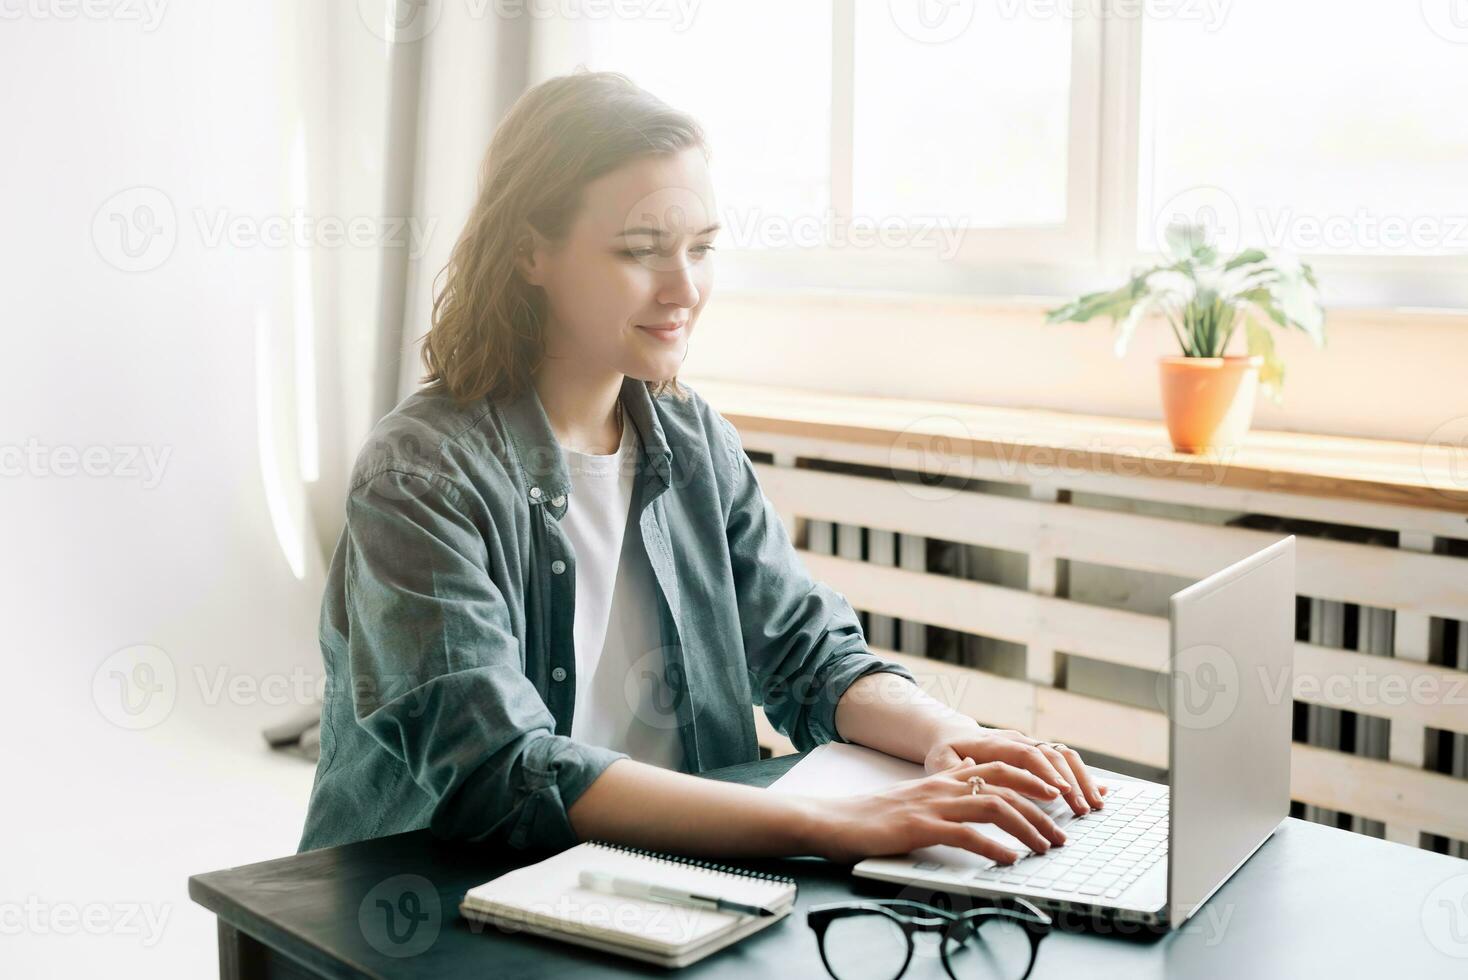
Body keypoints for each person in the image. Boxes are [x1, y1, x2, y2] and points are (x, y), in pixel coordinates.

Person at [299, 71, 1106, 864]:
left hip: (666, 882)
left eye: (703, 249)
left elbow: (806, 653)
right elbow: (500, 772)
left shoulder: (694, 441)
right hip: (439, 905)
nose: (684, 288)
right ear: (529, 252)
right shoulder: (419, 477)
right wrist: (835, 824)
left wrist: (954, 737)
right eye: (641, 250)